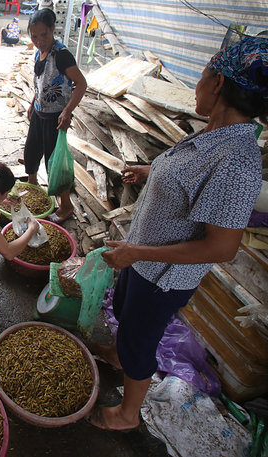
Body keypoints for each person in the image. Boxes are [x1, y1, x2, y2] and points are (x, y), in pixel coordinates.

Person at [88, 36, 268, 432]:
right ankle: (117, 355)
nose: (198, 86)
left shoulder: (236, 160)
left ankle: (126, 415)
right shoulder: (214, 134)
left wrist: (137, 253)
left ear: (218, 82)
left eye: (202, 76)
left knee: (141, 338)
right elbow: (191, 179)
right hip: (142, 257)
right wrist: (151, 173)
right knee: (122, 308)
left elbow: (221, 248)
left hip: (162, 276)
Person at [22, 8, 87, 224]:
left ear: (52, 30)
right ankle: (33, 190)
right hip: (40, 113)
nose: (39, 40)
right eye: (34, 36)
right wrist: (33, 103)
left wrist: (67, 111)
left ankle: (66, 206)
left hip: (56, 118)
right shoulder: (37, 52)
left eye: (44, 35)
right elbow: (40, 83)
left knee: (54, 164)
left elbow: (81, 84)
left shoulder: (61, 55)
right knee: (31, 152)